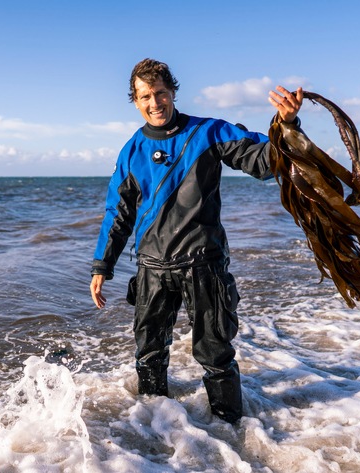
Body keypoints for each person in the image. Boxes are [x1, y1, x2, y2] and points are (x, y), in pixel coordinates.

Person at [90, 58, 303, 423]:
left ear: (172, 92)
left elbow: (266, 164)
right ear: (135, 101)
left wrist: (287, 125)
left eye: (160, 93)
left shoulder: (209, 133)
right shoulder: (131, 152)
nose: (154, 102)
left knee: (216, 356)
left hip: (204, 266)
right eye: (145, 96)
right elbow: (118, 214)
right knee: (149, 355)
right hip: (151, 271)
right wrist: (102, 266)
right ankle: (156, 435)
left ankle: (230, 434)